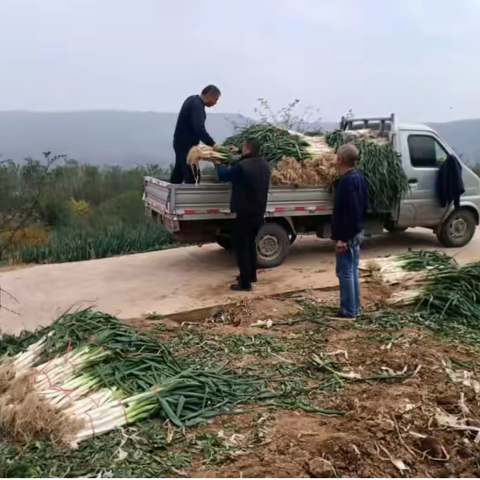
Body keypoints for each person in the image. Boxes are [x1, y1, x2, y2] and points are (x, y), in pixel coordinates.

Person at [214, 138, 270, 291]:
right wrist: (236, 155)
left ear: (248, 148)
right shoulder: (264, 164)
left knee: (241, 247)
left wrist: (217, 163)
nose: (241, 148)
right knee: (250, 244)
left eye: (243, 147)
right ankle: (251, 275)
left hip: (244, 212)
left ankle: (245, 284)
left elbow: (224, 175)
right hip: (258, 211)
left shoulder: (242, 167)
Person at [331, 144, 368, 319]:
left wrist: (343, 239)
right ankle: (355, 307)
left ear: (340, 159)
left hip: (349, 235)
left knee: (345, 272)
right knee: (352, 271)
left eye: (337, 156)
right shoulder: (358, 177)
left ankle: (348, 310)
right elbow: (363, 207)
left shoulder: (346, 181)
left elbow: (349, 212)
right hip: (357, 230)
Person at [170, 85, 221, 184]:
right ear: (210, 95)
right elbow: (199, 129)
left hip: (180, 143)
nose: (215, 103)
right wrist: (212, 144)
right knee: (193, 177)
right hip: (187, 146)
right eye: (216, 99)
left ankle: (170, 196)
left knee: (179, 172)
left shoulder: (191, 99)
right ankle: (189, 198)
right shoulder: (198, 106)